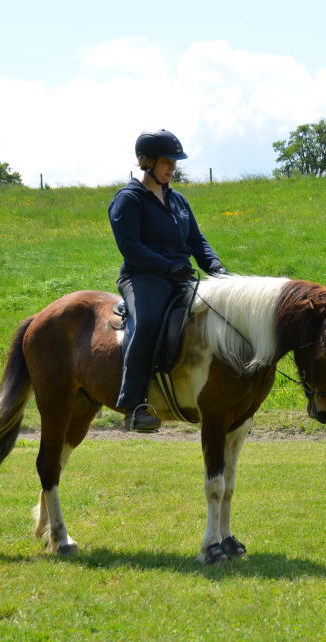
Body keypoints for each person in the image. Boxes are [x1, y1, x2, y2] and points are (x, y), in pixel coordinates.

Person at [108, 129, 228, 432]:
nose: (172, 168)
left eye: (174, 163)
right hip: (142, 277)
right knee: (148, 323)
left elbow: (197, 241)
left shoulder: (178, 201)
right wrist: (166, 267)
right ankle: (134, 404)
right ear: (147, 162)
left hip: (180, 277)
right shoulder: (128, 199)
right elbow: (131, 247)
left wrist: (217, 269)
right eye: (166, 162)